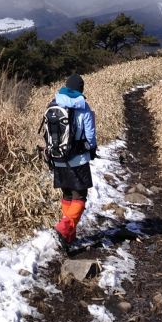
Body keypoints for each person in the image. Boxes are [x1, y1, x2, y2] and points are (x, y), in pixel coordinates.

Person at [52, 73, 97, 246]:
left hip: (58, 157)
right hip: (78, 159)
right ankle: (64, 228)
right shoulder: (83, 107)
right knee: (80, 195)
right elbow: (90, 136)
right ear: (80, 89)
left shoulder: (54, 102)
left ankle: (69, 236)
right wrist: (91, 149)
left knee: (67, 193)